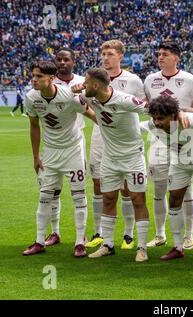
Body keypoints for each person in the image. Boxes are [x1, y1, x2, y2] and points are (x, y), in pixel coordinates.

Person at [72, 68, 150, 262]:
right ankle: (107, 244)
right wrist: (76, 89)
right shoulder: (90, 96)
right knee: (108, 199)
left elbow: (150, 108)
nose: (84, 85)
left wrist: (180, 114)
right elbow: (75, 93)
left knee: (138, 200)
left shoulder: (125, 100)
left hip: (133, 157)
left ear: (96, 85)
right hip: (109, 158)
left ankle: (141, 248)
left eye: (87, 82)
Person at [22, 61, 97, 257]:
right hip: (50, 153)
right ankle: (39, 241)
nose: (34, 80)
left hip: (73, 151)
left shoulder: (69, 96)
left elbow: (90, 113)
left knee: (78, 196)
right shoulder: (31, 98)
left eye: (39, 76)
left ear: (51, 78)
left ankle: (80, 242)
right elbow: (34, 126)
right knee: (45, 196)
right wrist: (36, 156)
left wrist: (111, 130)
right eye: (33, 76)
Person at [85, 40, 146, 251]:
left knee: (129, 188)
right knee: (99, 184)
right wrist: (101, 121)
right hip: (100, 136)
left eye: (109, 53)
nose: (105, 57)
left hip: (126, 140)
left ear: (121, 56)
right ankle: (99, 233)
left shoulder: (133, 81)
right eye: (102, 53)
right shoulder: (92, 82)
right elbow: (83, 104)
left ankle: (128, 235)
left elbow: (141, 107)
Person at [144, 96, 193, 264]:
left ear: (172, 116)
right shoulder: (151, 125)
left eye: (160, 118)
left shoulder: (192, 122)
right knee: (174, 199)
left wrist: (186, 112)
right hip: (179, 162)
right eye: (154, 118)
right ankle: (178, 247)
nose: (156, 122)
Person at [143, 42, 193, 250]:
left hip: (183, 141)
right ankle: (160, 234)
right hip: (159, 140)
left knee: (185, 190)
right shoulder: (151, 79)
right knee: (159, 189)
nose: (160, 57)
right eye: (159, 54)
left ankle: (188, 236)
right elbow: (148, 107)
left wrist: (180, 112)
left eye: (165, 54)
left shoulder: (189, 79)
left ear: (176, 57)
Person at [42, 48, 86, 247]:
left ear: (73, 61)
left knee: (78, 189)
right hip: (52, 144)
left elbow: (91, 107)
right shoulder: (48, 82)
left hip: (76, 142)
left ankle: (82, 235)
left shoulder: (83, 81)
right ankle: (55, 232)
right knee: (52, 190)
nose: (62, 62)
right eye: (58, 59)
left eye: (66, 59)